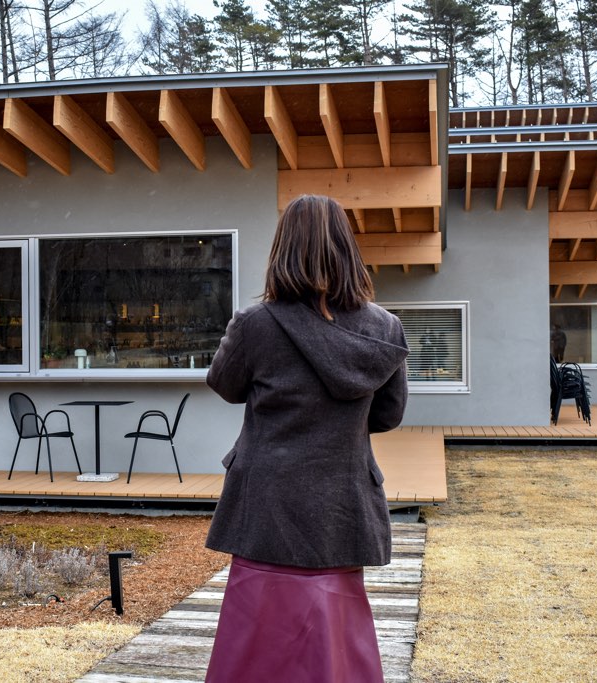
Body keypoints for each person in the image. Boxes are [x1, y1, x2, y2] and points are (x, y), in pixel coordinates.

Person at [204, 194, 409, 683]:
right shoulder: (384, 328)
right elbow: (389, 414)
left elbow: (225, 385)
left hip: (268, 502)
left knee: (258, 637)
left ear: (283, 249)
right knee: (336, 637)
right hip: (341, 499)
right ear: (346, 249)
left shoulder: (256, 324)